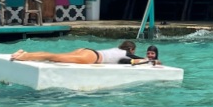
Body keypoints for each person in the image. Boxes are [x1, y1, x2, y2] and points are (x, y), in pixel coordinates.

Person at [10, 40, 149, 65]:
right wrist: (150, 61)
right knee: (54, 57)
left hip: (86, 51)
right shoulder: (126, 54)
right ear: (131, 50)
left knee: (56, 56)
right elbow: (139, 59)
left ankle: (25, 53)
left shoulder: (116, 50)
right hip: (91, 57)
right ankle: (25, 56)